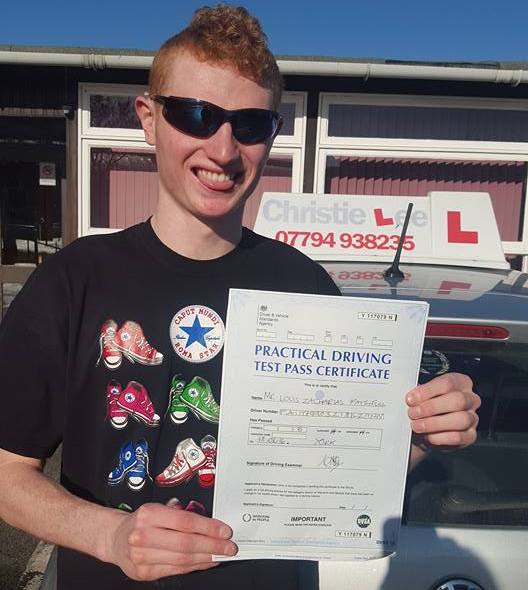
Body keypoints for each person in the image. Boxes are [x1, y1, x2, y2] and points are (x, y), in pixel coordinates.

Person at [0, 5, 480, 590]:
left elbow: (339, 470)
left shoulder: (307, 288)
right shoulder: (73, 280)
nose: (223, 150)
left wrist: (421, 436)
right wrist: (111, 536)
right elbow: (7, 471)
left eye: (249, 124)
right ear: (149, 119)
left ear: (271, 135)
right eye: (196, 115)